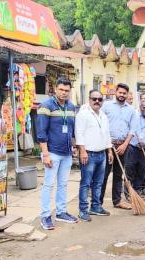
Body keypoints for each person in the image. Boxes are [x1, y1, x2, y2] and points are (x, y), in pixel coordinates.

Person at [36, 78, 78, 230]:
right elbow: (41, 131)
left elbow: (72, 130)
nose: (64, 93)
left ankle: (61, 212)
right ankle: (45, 216)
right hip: (52, 152)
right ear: (55, 89)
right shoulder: (46, 106)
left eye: (67, 90)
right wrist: (45, 154)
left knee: (63, 184)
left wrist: (74, 147)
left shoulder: (72, 107)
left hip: (67, 153)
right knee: (48, 184)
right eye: (61, 90)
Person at [75, 90, 114, 221]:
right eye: (94, 99)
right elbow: (79, 133)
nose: (97, 101)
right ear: (89, 99)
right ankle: (83, 210)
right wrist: (82, 151)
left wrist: (109, 151)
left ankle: (96, 207)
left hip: (102, 154)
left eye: (99, 99)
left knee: (99, 183)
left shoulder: (103, 115)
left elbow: (107, 134)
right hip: (89, 154)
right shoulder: (83, 114)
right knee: (86, 183)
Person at [100, 83, 137, 210]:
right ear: (116, 92)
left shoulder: (131, 110)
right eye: (120, 92)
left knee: (118, 174)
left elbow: (132, 130)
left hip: (123, 146)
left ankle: (117, 201)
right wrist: (109, 145)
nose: (122, 95)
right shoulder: (106, 106)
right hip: (107, 146)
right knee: (103, 174)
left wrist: (125, 145)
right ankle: (98, 203)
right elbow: (101, 125)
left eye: (124, 93)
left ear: (127, 95)